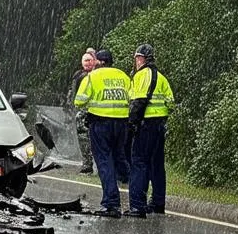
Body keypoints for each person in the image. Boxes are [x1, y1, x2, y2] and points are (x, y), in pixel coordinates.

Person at [74, 48, 131, 218]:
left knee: (104, 162)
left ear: (99, 61)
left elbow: (79, 101)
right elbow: (132, 98)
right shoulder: (123, 77)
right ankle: (136, 196)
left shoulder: (92, 76)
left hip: (100, 123)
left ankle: (111, 203)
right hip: (122, 123)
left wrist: (92, 103)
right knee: (120, 157)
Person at [126, 43, 175, 217]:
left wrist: (132, 123)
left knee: (139, 163)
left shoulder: (142, 76)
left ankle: (137, 206)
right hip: (160, 125)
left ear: (141, 59)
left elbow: (138, 102)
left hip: (145, 124)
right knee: (157, 165)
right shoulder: (161, 77)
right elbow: (170, 102)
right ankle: (157, 203)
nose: (135, 62)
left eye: (136, 58)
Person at [68, 48, 98, 173]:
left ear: (95, 61)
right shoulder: (78, 75)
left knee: (92, 137)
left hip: (93, 110)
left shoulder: (96, 75)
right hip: (79, 111)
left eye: (90, 60)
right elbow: (71, 92)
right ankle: (87, 163)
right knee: (83, 138)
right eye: (85, 60)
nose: (88, 63)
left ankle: (91, 164)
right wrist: (70, 106)